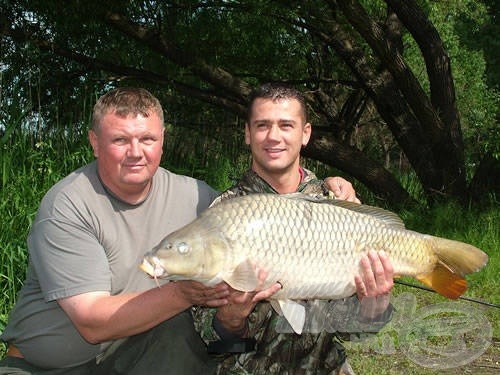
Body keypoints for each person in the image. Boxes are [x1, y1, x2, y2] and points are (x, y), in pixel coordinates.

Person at [0, 86, 358, 374]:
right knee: (183, 321)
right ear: (94, 142)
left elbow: (263, 213)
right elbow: (93, 324)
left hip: (135, 351)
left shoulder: (195, 196)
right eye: (120, 140)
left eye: (147, 139)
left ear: (163, 141)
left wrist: (331, 196)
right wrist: (186, 294)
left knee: (178, 332)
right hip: (46, 365)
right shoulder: (68, 204)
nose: (135, 153)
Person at [201, 83, 394, 375]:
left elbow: (354, 332)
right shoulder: (223, 213)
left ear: (305, 134)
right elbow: (210, 342)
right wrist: (230, 318)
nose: (274, 136)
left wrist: (374, 307)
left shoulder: (338, 204)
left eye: (286, 125)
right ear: (248, 133)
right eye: (262, 125)